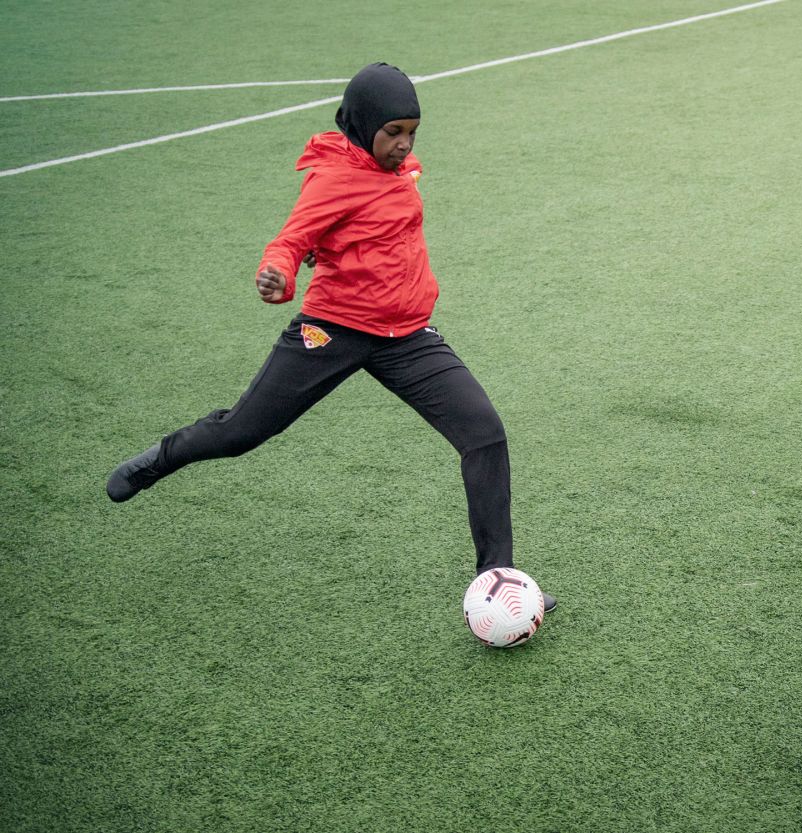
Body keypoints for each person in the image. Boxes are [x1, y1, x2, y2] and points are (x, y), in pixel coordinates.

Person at [106, 62, 554, 611]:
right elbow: (291, 241)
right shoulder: (334, 177)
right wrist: (279, 275)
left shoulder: (397, 169)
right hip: (334, 327)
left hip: (407, 335)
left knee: (484, 435)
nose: (404, 143)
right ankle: (159, 459)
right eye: (393, 132)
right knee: (243, 431)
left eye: (412, 131)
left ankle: (498, 580)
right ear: (363, 124)